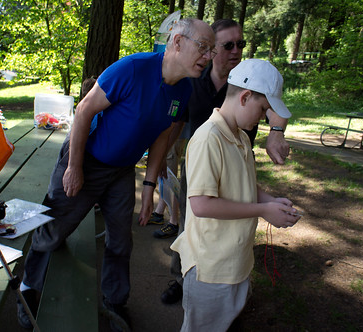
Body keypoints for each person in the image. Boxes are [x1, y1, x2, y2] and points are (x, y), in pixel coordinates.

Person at [16, 18, 216, 331]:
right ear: (177, 42)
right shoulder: (131, 70)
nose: (209, 56)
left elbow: (163, 134)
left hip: (122, 169)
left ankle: (115, 301)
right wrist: (74, 167)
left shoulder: (185, 88)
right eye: (203, 47)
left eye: (211, 50)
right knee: (55, 229)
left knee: (121, 240)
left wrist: (149, 187)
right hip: (87, 158)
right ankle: (28, 288)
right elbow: (83, 111)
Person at [159, 19, 290, 305]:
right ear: (211, 50)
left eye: (240, 44)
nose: (236, 50)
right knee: (190, 225)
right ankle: (184, 278)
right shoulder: (194, 81)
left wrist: (276, 133)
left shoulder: (245, 106)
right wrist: (158, 164)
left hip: (235, 162)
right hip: (203, 165)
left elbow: (272, 106)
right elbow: (177, 121)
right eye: (228, 45)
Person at [171, 58, 301, 332]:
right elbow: (203, 205)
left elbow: (242, 185)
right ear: (244, 97)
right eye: (263, 109)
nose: (263, 118)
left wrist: (269, 201)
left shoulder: (240, 137)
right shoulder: (209, 138)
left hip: (235, 261)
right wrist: (262, 211)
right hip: (211, 267)